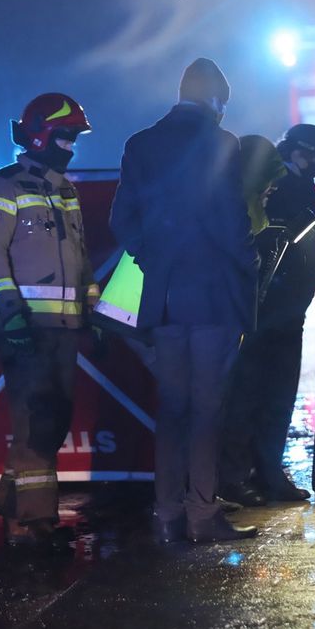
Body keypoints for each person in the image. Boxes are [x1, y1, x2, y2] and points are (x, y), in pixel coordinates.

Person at [110, 58, 259, 544]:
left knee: (171, 408)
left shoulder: (141, 144)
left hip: (164, 300)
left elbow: (122, 220)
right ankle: (202, 513)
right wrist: (247, 268)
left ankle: (167, 514)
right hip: (213, 298)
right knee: (206, 410)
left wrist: (154, 258)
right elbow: (231, 221)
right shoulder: (222, 144)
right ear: (215, 99)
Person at [0, 93, 97, 551]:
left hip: (63, 328)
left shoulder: (66, 189)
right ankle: (32, 524)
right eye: (64, 136)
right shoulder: (1, 187)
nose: (70, 146)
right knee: (34, 421)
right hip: (24, 327)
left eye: (74, 138)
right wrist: (10, 314)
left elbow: (79, 259)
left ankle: (11, 498)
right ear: (41, 134)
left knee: (52, 422)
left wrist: (93, 311)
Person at [219, 124, 315, 507]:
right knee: (247, 392)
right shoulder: (269, 185)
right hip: (260, 308)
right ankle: (233, 477)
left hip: (289, 310)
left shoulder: (301, 190)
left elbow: (310, 243)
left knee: (279, 394)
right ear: (303, 153)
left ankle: (268, 473)